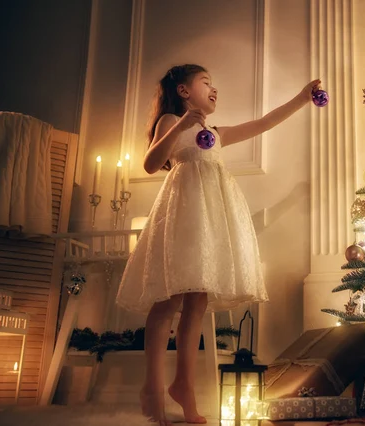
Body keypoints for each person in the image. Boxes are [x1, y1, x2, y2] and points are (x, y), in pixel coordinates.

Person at [115, 63, 321, 425]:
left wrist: (302, 99)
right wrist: (180, 125)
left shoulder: (217, 133)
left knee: (198, 300)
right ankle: (152, 383)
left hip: (211, 221)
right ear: (183, 91)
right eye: (206, 82)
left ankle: (184, 385)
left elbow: (265, 122)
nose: (214, 89)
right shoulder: (168, 121)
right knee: (169, 298)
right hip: (183, 216)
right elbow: (150, 164)